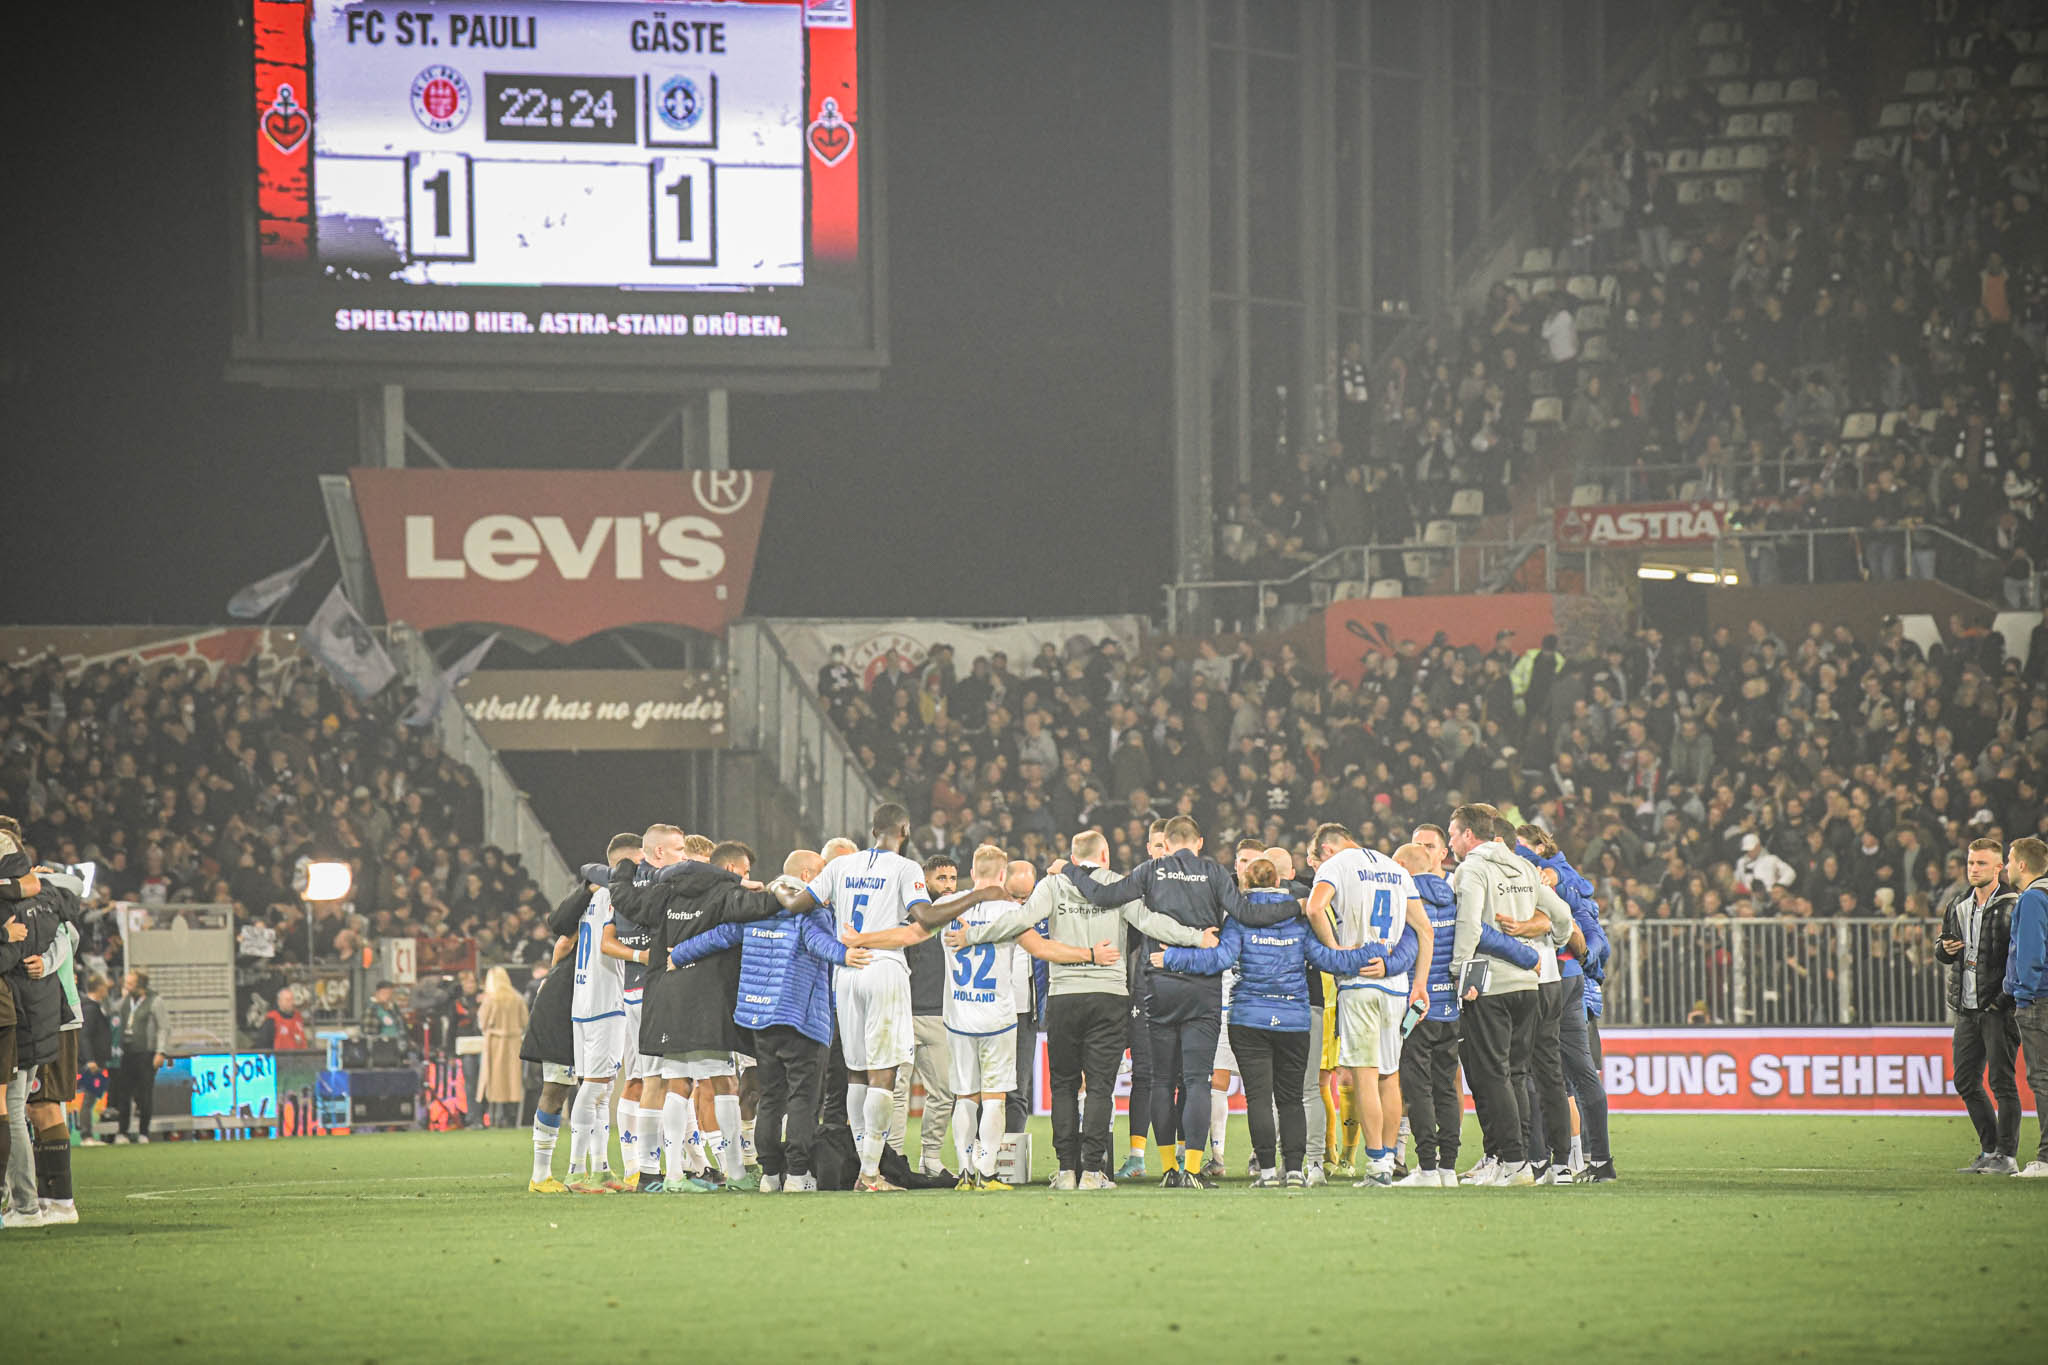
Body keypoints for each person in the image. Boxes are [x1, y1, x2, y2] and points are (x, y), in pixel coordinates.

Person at [952, 831, 1212, 1190]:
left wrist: (972, 936)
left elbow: (1020, 919)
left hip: (1064, 996)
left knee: (1063, 1086)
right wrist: (1198, 937)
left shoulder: (1054, 884)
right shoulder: (1119, 885)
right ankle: (1092, 1171)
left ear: (1073, 859)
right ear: (1104, 855)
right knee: (1100, 1087)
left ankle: (1065, 1171)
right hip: (1108, 996)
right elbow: (1152, 923)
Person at [775, 803, 1000, 1192]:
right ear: (905, 830)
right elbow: (926, 918)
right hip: (884, 968)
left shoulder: (841, 866)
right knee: (884, 1074)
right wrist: (977, 896)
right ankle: (869, 1174)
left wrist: (778, 886)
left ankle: (867, 1170)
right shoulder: (905, 868)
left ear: (873, 829)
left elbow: (795, 904)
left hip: (847, 972)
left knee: (857, 1073)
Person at [1061, 815, 1295, 1187]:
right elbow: (1248, 913)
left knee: (1160, 1081)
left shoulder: (1149, 870)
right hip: (1202, 986)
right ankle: (1192, 1169)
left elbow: (1103, 896)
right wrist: (1296, 906)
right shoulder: (1214, 872)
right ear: (1199, 842)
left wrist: (1070, 871)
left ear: (1166, 844)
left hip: (1160, 984)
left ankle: (1169, 1168)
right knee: (1197, 1081)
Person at [1154, 858, 1399, 1187]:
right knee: (1291, 1098)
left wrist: (1173, 956)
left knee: (1258, 1097)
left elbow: (1219, 959)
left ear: (1246, 884)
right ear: (1279, 882)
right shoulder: (1297, 920)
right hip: (1293, 1019)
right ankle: (1295, 1170)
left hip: (1249, 1018)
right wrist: (1368, 952)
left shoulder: (1239, 919)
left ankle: (1267, 1172)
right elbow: (1328, 959)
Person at [662, 849, 870, 1193]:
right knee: (803, 1098)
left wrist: (680, 954)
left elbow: (721, 935)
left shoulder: (757, 905)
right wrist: (847, 955)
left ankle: (770, 1175)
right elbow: (818, 943)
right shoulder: (809, 909)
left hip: (759, 1018)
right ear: (806, 877)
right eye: (821, 873)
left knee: (770, 1096)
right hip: (802, 1018)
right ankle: (797, 1175)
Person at [1301, 822, 1432, 1187]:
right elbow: (1425, 930)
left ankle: (1375, 1166)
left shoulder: (1336, 865)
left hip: (1359, 983)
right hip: (1396, 986)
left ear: (1327, 849)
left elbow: (1315, 908)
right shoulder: (1394, 867)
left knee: (1365, 1076)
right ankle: (1388, 1159)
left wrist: (1336, 950)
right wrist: (1420, 984)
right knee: (1390, 1076)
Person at [1447, 804, 1542, 1186]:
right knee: (1515, 1074)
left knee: (1494, 1075)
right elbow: (1557, 914)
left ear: (1469, 835)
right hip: (1528, 984)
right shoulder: (1524, 866)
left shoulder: (1472, 868)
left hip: (1492, 984)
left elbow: (1469, 925)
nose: (1451, 842)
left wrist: (1459, 970)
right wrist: (1540, 941)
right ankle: (1513, 1159)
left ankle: (1512, 1160)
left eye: (1453, 834)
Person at [1936, 837, 2020, 1175]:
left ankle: (2007, 1155)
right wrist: (1944, 949)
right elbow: (1943, 947)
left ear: (1999, 867)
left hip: (1998, 1008)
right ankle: (1989, 1150)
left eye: (1981, 863)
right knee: (1965, 1080)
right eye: (1971, 863)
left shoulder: (2013, 905)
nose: (1973, 869)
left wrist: (2002, 1001)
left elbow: (2019, 958)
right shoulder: (1958, 903)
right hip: (1966, 1009)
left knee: (2002, 1083)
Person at [519, 878, 597, 1193]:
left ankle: (584, 1169)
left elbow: (562, 944)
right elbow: (563, 942)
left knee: (588, 1090)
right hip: (564, 1009)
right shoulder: (582, 921)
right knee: (559, 1088)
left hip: (583, 1007)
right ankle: (542, 1174)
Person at [890, 854, 960, 1178]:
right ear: (924, 881)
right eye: (941, 878)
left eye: (952, 878)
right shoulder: (903, 919)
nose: (948, 885)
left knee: (944, 1092)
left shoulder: (958, 920)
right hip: (903, 1016)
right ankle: (893, 1160)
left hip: (940, 1017)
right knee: (897, 1093)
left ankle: (930, 1159)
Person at [2001, 837, 2048, 1178]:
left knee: (2042, 1078)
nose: (2006, 866)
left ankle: (2046, 1158)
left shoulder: (2032, 898)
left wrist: (2023, 993)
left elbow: (2031, 951)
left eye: (2008, 859)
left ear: (2021, 864)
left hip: (2038, 999)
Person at [109, 969, 163, 1145]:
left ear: (140, 986)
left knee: (145, 1093)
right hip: (126, 1052)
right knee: (123, 1093)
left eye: (130, 984)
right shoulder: (125, 1001)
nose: (126, 986)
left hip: (146, 1053)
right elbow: (110, 1010)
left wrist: (161, 1052)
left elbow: (164, 1027)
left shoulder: (155, 1001)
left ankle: (143, 1132)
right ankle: (122, 1131)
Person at [476, 966, 529, 1132]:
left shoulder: (490, 999)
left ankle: (495, 1117)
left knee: (494, 1080)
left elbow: (482, 1023)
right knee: (512, 1080)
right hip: (514, 1044)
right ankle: (510, 1117)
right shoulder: (518, 998)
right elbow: (525, 1021)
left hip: (495, 1044)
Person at [77, 972, 113, 1145]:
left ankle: (88, 1134)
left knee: (90, 1097)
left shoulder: (93, 1006)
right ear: (99, 988)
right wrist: (90, 1059)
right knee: (88, 1098)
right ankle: (86, 1135)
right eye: (105, 986)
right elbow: (84, 1035)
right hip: (92, 1062)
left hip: (95, 1059)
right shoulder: (91, 1009)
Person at [256, 986, 307, 1051]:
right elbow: (264, 1043)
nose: (290, 1003)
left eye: (292, 1000)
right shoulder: (272, 1018)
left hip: (299, 1055)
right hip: (280, 1056)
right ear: (279, 1002)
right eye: (287, 1000)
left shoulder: (298, 1017)